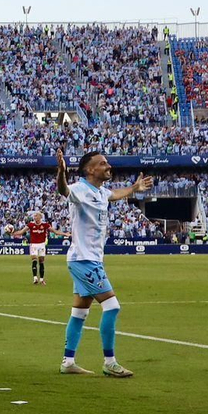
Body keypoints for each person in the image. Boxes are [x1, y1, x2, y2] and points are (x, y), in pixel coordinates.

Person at [54, 150, 153, 377]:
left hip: (90, 259)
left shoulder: (100, 192)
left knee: (79, 313)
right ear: (90, 170)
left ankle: (68, 362)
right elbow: (64, 190)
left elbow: (115, 194)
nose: (108, 166)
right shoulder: (79, 189)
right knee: (112, 306)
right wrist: (61, 173)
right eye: (103, 163)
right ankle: (110, 362)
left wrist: (134, 189)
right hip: (85, 260)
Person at [10, 211, 67, 285]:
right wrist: (13, 233)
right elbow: (21, 232)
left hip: (42, 245)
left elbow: (55, 232)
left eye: (36, 216)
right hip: (33, 245)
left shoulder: (45, 225)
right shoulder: (30, 225)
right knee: (34, 260)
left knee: (41, 262)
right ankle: (35, 278)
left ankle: (42, 279)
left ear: (40, 217)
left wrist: (65, 233)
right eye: (34, 216)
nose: (34, 217)